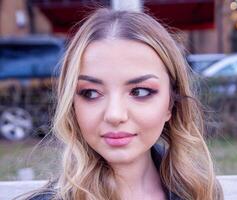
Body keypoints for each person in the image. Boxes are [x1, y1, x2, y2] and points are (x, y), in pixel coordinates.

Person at [24, 8, 223, 200]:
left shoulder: (200, 193)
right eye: (91, 93)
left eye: (140, 91)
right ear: (72, 104)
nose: (114, 115)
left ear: (171, 103)